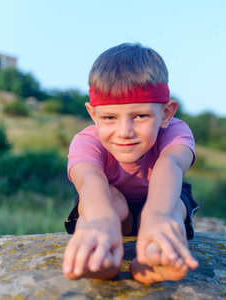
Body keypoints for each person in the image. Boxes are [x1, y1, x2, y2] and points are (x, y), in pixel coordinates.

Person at [61, 43, 199, 284]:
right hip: (108, 205)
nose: (124, 132)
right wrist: (101, 219)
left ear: (166, 113)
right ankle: (101, 255)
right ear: (93, 115)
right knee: (98, 202)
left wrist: (157, 215)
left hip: (162, 202)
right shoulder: (86, 141)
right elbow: (89, 180)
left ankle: (154, 258)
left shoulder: (176, 132)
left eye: (140, 116)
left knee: (175, 205)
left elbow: (170, 165)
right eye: (109, 118)